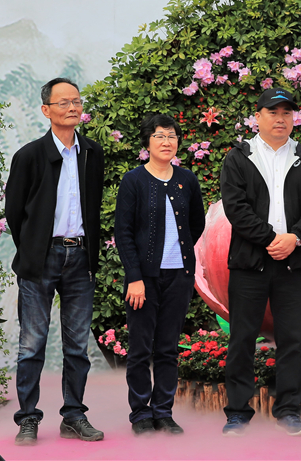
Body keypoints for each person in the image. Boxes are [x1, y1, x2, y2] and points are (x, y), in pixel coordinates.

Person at [218, 88, 301, 437]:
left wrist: (294, 238)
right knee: (242, 339)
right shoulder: (239, 157)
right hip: (249, 264)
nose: (280, 119)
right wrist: (269, 239)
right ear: (258, 116)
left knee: (292, 340)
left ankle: (289, 411)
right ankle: (237, 412)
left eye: (286, 113)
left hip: (292, 264)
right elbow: (236, 209)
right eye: (273, 112)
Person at [4, 78, 105, 445]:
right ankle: (28, 419)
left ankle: (74, 416)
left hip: (80, 257)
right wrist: (34, 249)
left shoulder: (92, 153)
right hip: (41, 258)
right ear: (46, 110)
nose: (72, 107)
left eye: (76, 101)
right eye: (63, 102)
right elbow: (15, 212)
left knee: (77, 346)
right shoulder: (29, 155)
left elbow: (93, 206)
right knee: (32, 345)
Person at [115, 113, 206, 435]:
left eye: (171, 136)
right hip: (144, 280)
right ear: (147, 142)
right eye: (159, 136)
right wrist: (135, 277)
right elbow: (123, 232)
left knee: (168, 348)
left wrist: (181, 258)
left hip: (179, 276)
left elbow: (196, 225)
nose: (166, 142)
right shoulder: (133, 180)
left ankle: (163, 412)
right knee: (140, 349)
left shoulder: (187, 180)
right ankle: (141, 413)